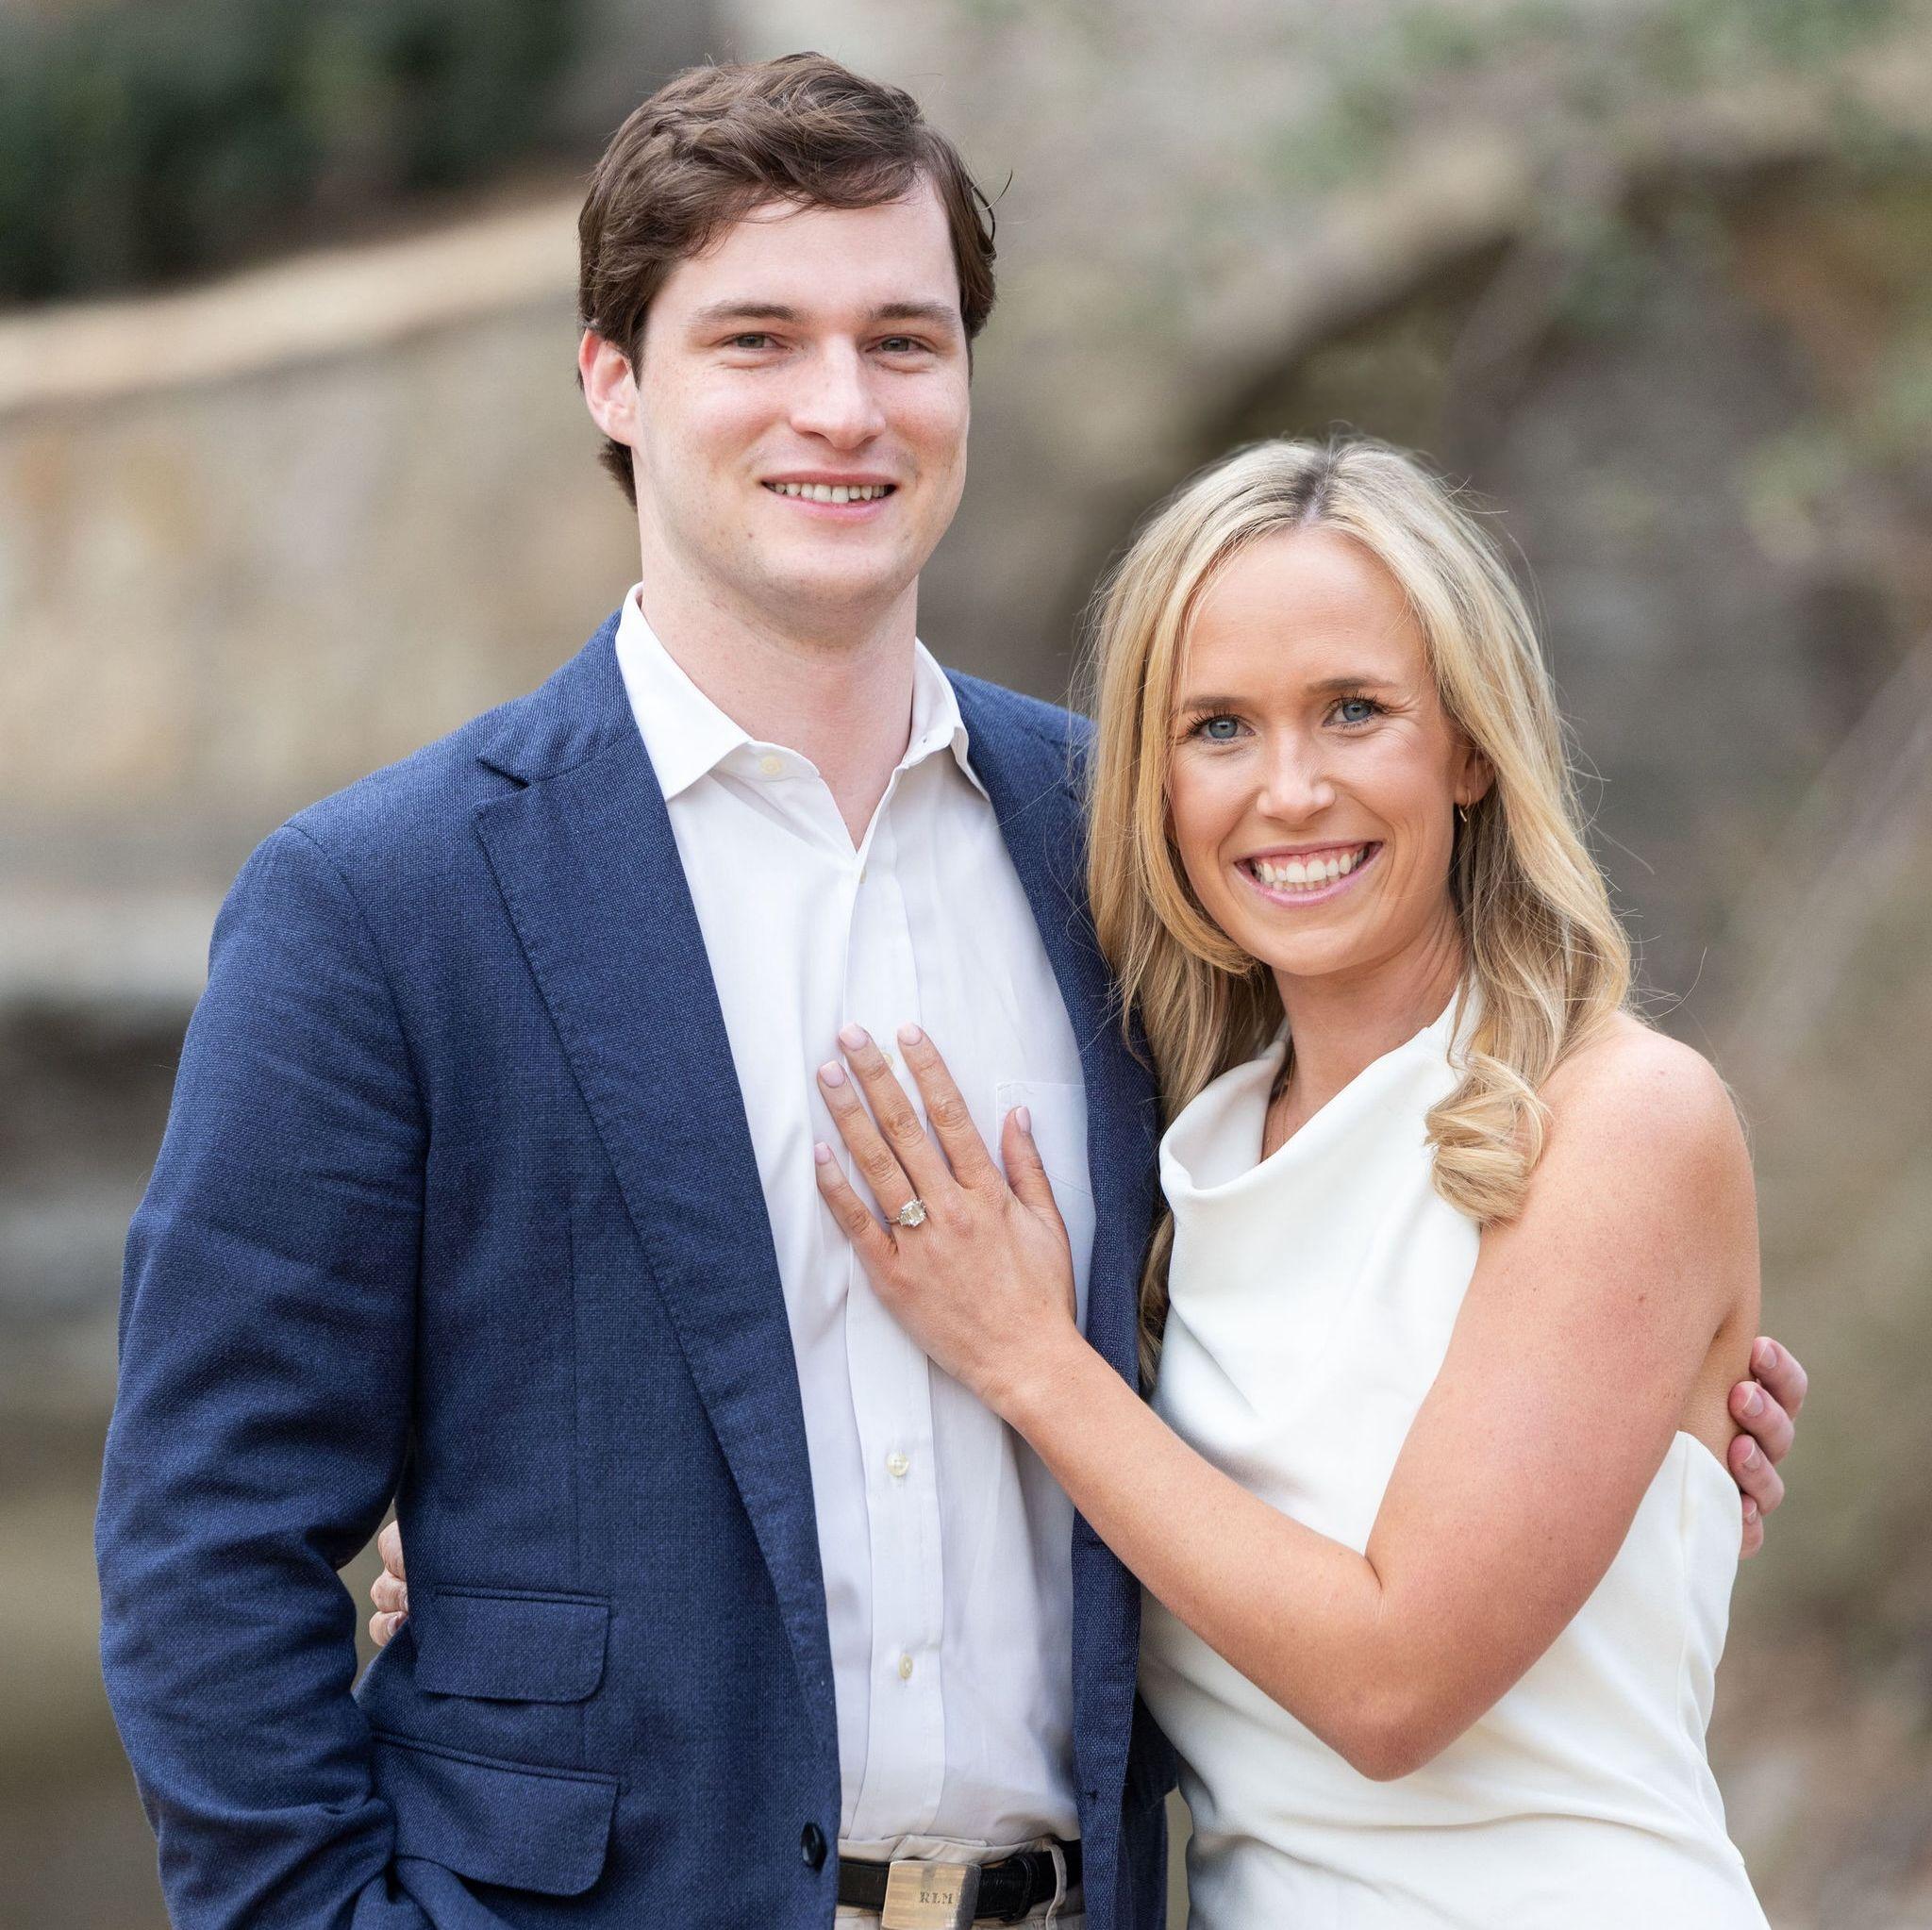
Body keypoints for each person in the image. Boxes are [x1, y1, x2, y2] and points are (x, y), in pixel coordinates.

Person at [95, 51, 1803, 1930]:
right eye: (758, 339)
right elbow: (209, 1539)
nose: (843, 406)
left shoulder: (1129, 852)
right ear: (613, 378)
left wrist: (1634, 1406)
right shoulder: (386, 903)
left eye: (902, 340)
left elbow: (1353, 1268)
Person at [806, 437, 1786, 1926]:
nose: (1291, 788)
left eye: (1354, 710)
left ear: (1469, 745)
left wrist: (1029, 1359)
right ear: (1156, 782)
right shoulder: (1187, 1154)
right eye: (1219, 727)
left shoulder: (1622, 1118)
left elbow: (1393, 1687)